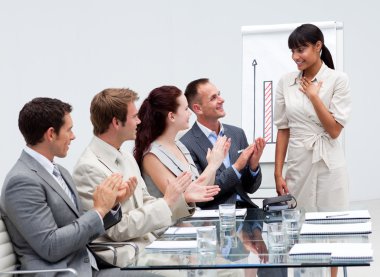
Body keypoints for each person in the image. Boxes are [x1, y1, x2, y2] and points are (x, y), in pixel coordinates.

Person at [0, 97, 150, 276]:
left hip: (87, 266)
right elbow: (51, 246)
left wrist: (111, 206)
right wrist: (99, 210)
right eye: (69, 130)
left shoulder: (60, 171)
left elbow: (78, 223)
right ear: (50, 134)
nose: (73, 136)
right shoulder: (21, 182)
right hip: (67, 272)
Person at [73, 88, 219, 269]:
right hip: (126, 256)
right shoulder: (89, 168)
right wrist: (168, 202)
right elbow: (117, 230)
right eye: (134, 116)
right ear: (116, 122)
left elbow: (147, 202)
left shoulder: (125, 157)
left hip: (148, 246)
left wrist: (181, 199)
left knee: (219, 265)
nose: (139, 121)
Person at [274, 23, 352, 212]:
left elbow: (334, 131)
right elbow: (283, 129)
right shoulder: (286, 82)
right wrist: (277, 173)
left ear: (318, 46)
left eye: (301, 50)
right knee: (297, 223)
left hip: (329, 164)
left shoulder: (338, 80)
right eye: (292, 51)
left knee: (333, 225)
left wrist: (314, 96)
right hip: (297, 163)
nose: (295, 57)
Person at [134, 86, 229, 203]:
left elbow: (202, 190)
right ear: (171, 116)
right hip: (168, 221)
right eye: (185, 109)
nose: (190, 113)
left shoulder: (179, 145)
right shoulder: (151, 156)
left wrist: (213, 164)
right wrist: (213, 165)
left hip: (190, 220)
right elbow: (180, 200)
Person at [180, 79, 265, 209]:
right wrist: (236, 167)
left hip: (247, 211)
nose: (222, 99)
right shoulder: (186, 144)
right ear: (198, 108)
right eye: (213, 98)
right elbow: (201, 195)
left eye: (219, 94)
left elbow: (251, 188)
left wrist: (253, 166)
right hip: (214, 217)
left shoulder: (237, 133)